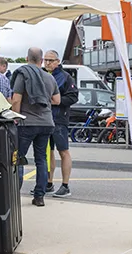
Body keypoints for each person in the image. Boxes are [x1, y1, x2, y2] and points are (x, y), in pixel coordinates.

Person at [11, 47, 60, 207]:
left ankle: (14, 195)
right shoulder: (49, 77)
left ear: (27, 58)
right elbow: (57, 100)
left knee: (18, 159)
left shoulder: (23, 74)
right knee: (41, 159)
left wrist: (15, 118)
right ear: (41, 61)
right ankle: (39, 197)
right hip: (46, 123)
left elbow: (16, 99)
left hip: (27, 122)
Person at [41, 50, 78, 197]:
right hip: (44, 118)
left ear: (58, 61)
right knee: (48, 152)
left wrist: (57, 102)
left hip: (59, 119)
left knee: (63, 151)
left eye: (51, 60)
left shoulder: (65, 77)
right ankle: (48, 183)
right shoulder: (43, 75)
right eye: (45, 60)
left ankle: (65, 185)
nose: (48, 63)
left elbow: (74, 96)